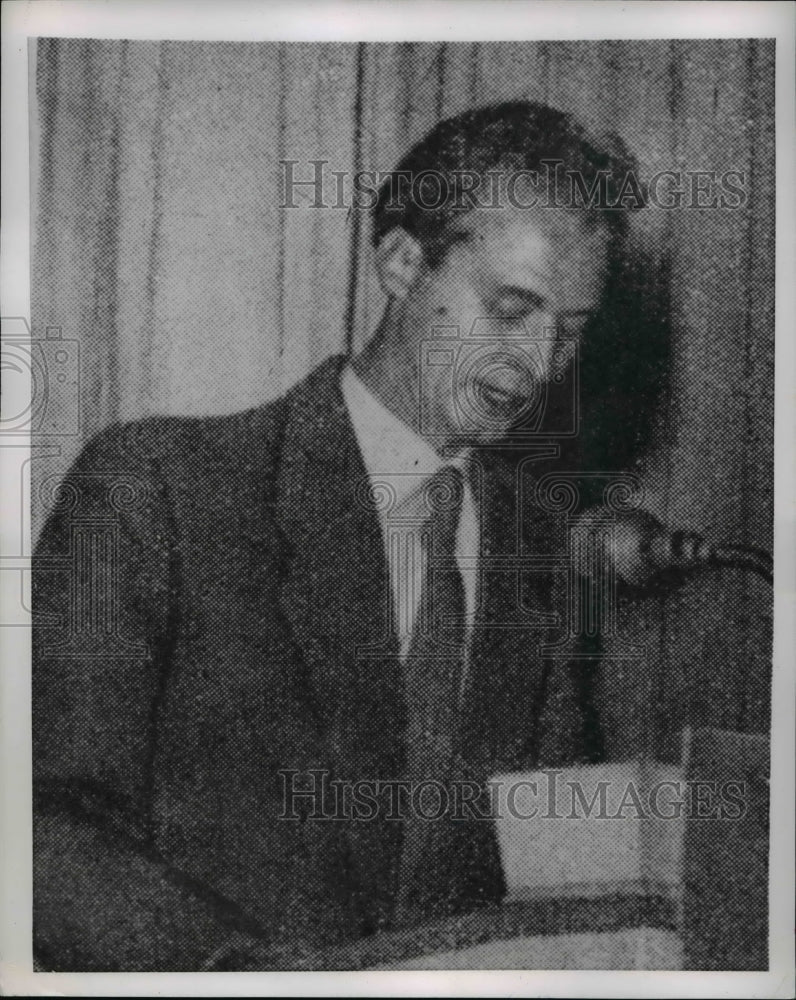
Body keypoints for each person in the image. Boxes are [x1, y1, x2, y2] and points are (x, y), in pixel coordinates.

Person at [32, 101, 641, 970]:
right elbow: (42, 826)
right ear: (400, 261)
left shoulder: (547, 548)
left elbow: (554, 876)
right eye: (512, 308)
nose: (538, 365)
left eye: (571, 331)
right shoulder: (150, 489)